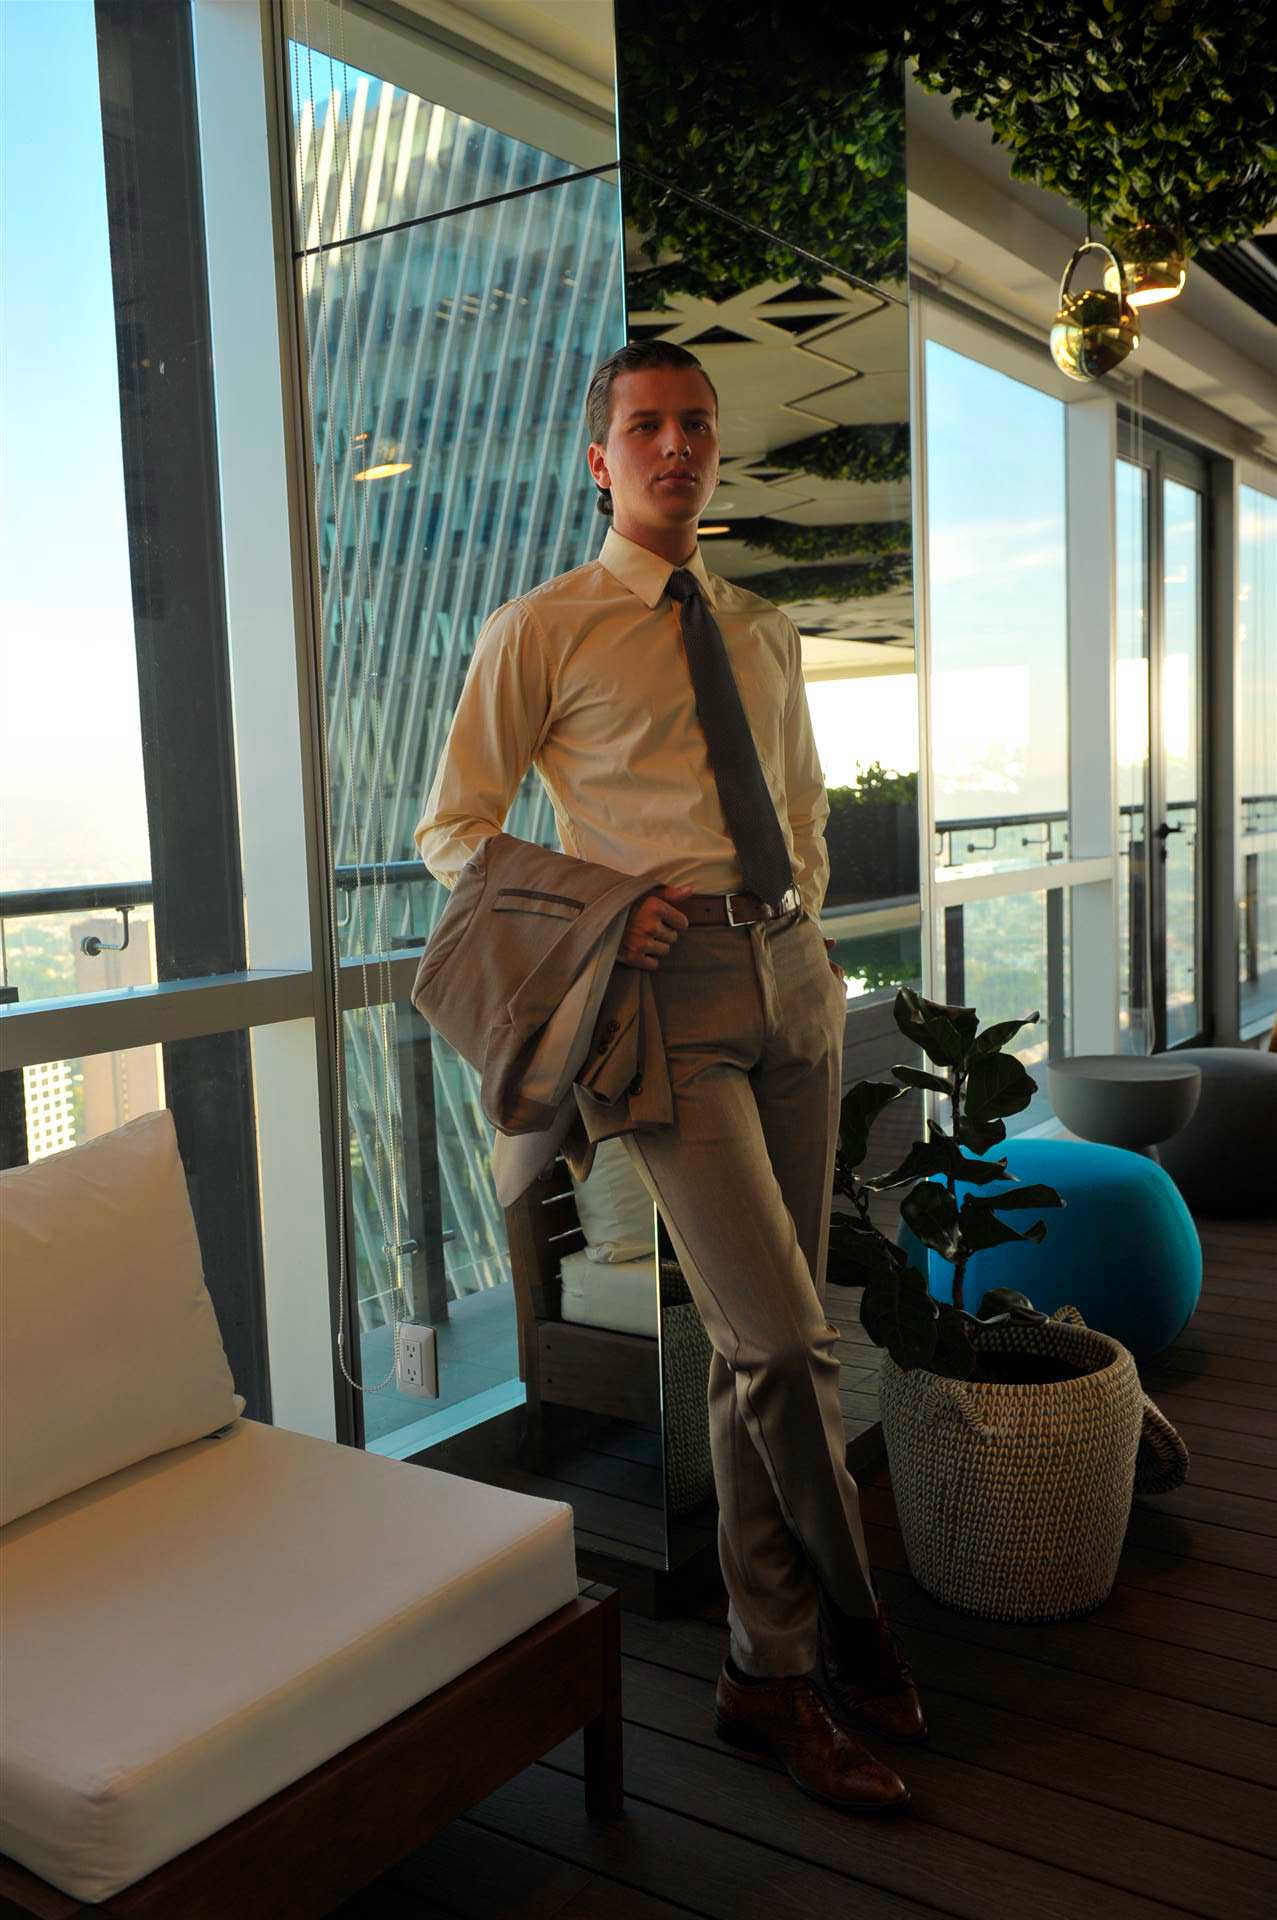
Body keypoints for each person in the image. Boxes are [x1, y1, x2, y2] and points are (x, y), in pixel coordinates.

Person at [416, 340, 926, 1815]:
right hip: (658, 1002)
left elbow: (801, 801)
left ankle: (762, 1674)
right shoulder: (543, 627)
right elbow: (453, 830)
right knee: (787, 1342)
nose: (676, 445)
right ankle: (853, 1625)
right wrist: (596, 906)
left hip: (790, 982)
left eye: (695, 423)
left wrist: (802, 918)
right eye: (645, 426)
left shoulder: (761, 628)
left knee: (751, 1338)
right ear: (601, 460)